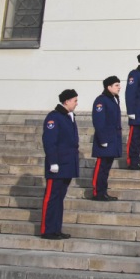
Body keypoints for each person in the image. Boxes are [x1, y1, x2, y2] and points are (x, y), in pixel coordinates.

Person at [40, 89, 80, 239]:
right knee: (51, 197)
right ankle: (47, 229)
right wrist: (53, 162)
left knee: (59, 198)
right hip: (57, 165)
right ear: (67, 101)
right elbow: (50, 142)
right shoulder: (54, 117)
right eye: (75, 100)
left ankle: (56, 228)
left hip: (67, 165)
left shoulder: (69, 116)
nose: (76, 103)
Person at [91, 76, 122, 201]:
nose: (119, 87)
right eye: (116, 85)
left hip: (113, 139)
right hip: (105, 140)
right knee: (101, 167)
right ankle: (97, 192)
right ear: (108, 87)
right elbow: (98, 121)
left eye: (119, 85)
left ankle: (103, 191)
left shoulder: (113, 99)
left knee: (106, 168)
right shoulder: (101, 100)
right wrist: (102, 139)